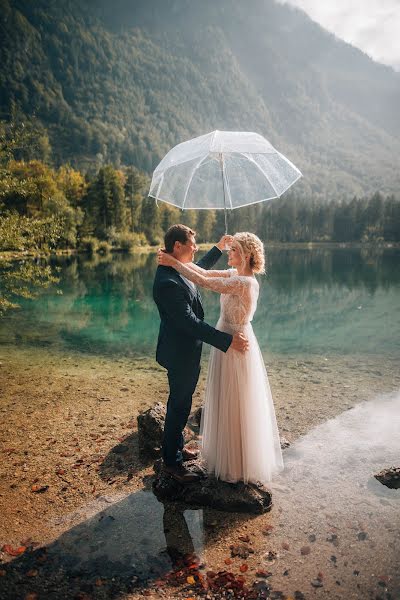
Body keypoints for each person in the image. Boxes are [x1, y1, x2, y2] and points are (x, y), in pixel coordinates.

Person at [157, 232, 284, 485]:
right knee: (224, 396)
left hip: (235, 343)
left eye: (233, 250)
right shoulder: (234, 275)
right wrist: (211, 248)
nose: (229, 253)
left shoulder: (245, 283)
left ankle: (238, 460)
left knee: (236, 399)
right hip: (224, 339)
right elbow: (201, 273)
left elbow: (203, 282)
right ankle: (197, 452)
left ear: (246, 256)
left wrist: (173, 263)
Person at [153, 224, 249, 484]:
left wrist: (218, 247)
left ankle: (176, 447)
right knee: (179, 404)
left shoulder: (176, 268)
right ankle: (172, 463)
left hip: (187, 349)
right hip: (179, 351)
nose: (196, 248)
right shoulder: (166, 282)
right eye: (192, 244)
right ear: (178, 246)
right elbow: (189, 323)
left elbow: (200, 272)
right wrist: (227, 341)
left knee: (182, 401)